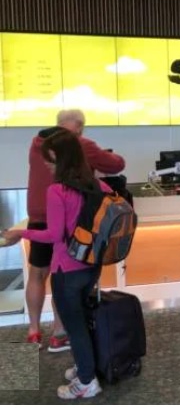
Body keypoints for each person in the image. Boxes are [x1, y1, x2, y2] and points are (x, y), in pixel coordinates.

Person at [2, 129, 110, 399]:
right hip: (91, 265)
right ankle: (85, 367)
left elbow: (53, 235)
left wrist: (21, 233)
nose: (47, 164)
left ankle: (87, 382)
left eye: (50, 159)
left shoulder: (57, 191)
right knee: (82, 319)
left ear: (63, 159)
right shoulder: (98, 185)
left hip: (67, 269)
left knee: (75, 326)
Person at [25, 109, 125, 352]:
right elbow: (116, 164)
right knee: (62, 276)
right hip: (67, 217)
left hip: (37, 215)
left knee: (37, 274)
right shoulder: (80, 144)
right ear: (80, 127)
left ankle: (33, 331)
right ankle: (59, 332)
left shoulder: (37, 144)